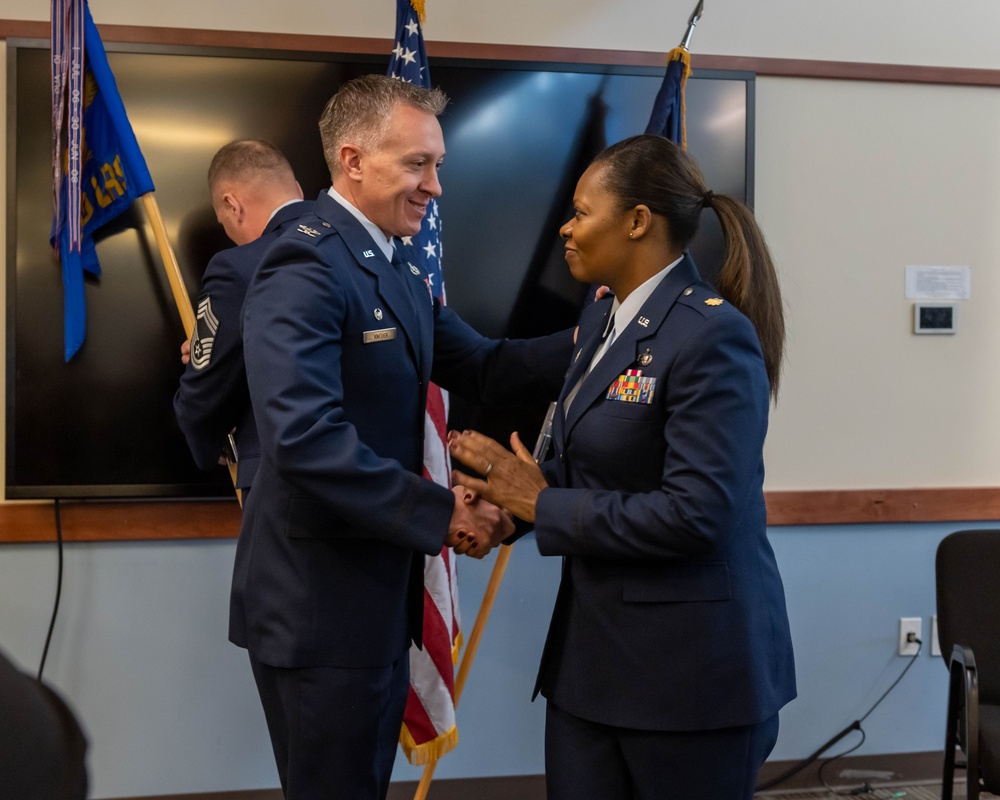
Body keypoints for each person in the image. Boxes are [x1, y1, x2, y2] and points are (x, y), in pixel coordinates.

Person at [233, 74, 574, 800]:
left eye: (438, 164)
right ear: (352, 161)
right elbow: (305, 439)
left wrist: (594, 338)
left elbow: (484, 365)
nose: (436, 186)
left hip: (376, 600)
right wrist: (442, 512)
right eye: (418, 164)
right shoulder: (305, 263)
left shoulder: (390, 268)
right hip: (319, 610)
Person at [449, 134, 797, 800]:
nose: (566, 226)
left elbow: (698, 514)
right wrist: (504, 514)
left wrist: (539, 504)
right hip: (594, 670)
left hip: (689, 681)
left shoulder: (710, 336)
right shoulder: (607, 319)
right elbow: (586, 471)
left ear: (638, 221)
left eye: (581, 211)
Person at [173, 139, 310, 496]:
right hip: (386, 489)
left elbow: (201, 397)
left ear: (231, 205)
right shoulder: (364, 247)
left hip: (286, 493)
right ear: (296, 190)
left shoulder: (239, 268)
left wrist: (210, 441)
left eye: (224, 223)